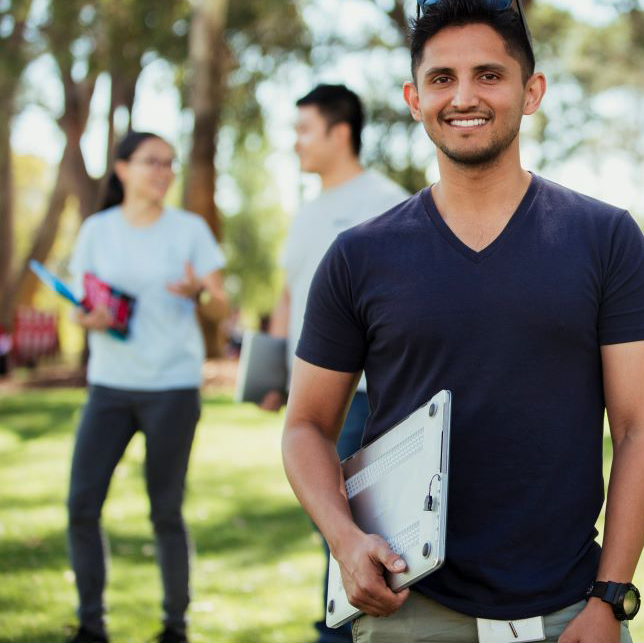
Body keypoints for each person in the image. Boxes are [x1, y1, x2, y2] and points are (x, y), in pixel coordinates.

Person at [281, 0, 644, 643]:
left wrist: (610, 597)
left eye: (488, 75)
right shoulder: (358, 256)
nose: (464, 96)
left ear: (532, 91)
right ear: (414, 100)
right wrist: (346, 542)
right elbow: (306, 427)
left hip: (571, 614)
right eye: (442, 78)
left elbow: (640, 430)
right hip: (410, 613)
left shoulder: (607, 240)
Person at [64, 131, 228, 643]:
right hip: (109, 388)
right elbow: (77, 304)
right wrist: (87, 319)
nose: (163, 171)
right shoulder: (97, 230)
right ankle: (92, 624)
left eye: (169, 163)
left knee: (165, 510)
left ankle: (174, 627)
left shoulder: (190, 230)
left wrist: (200, 291)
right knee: (81, 505)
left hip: (173, 388)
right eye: (151, 161)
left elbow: (222, 306)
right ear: (122, 169)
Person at [260, 83, 407, 643]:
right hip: (313, 397)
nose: (295, 143)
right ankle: (337, 624)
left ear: (339, 132)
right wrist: (276, 372)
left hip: (366, 397)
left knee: (353, 527)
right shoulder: (307, 211)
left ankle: (338, 630)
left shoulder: (385, 201)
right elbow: (288, 295)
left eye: (304, 129)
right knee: (329, 523)